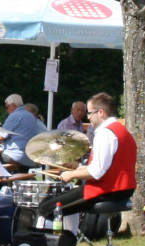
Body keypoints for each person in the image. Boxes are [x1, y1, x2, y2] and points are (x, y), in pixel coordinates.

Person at [45, 92, 138, 232]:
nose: (88, 117)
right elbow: (105, 166)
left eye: (90, 113)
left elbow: (96, 172)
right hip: (124, 189)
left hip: (107, 190)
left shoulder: (105, 134)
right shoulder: (122, 130)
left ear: (101, 112)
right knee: (65, 200)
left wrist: (71, 175)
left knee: (47, 207)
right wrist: (79, 169)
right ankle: (71, 238)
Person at [0, 94, 47, 167]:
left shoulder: (14, 115)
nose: (7, 110)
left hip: (16, 156)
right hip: (30, 157)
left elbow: (0, 137)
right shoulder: (31, 116)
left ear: (13, 105)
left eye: (7, 106)